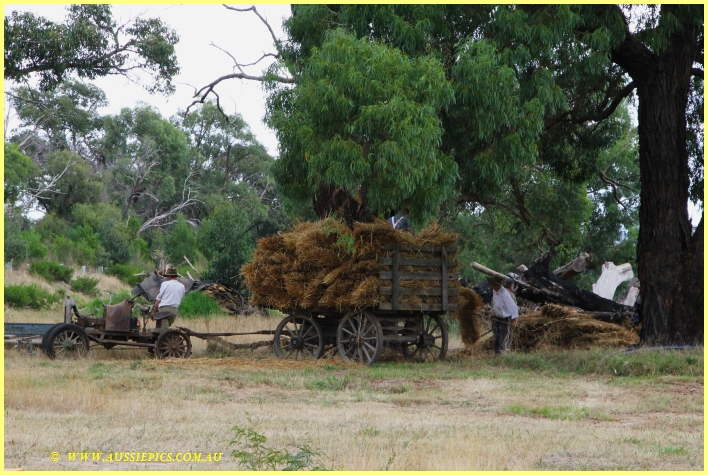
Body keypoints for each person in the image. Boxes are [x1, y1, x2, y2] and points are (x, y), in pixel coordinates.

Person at [488, 275, 519, 355]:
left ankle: (504, 356)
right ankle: (497, 355)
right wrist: (494, 313)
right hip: (498, 318)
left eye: (491, 284)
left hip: (506, 318)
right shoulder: (495, 291)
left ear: (496, 285)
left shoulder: (505, 294)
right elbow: (497, 304)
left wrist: (514, 320)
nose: (490, 285)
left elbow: (513, 307)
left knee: (504, 338)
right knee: (497, 338)